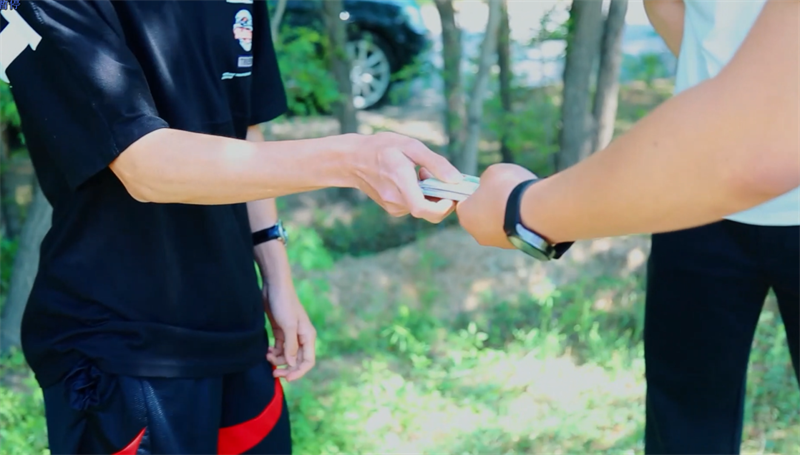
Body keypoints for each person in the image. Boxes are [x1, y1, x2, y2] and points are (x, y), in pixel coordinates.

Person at [0, 1, 460, 454]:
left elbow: (244, 127)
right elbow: (144, 166)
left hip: (240, 330)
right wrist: (350, 160)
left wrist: (277, 277)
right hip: (121, 346)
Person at [456, 0, 799, 453]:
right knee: (683, 425)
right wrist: (727, 104)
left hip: (703, 185)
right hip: (692, 199)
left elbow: (758, 153)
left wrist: (522, 210)